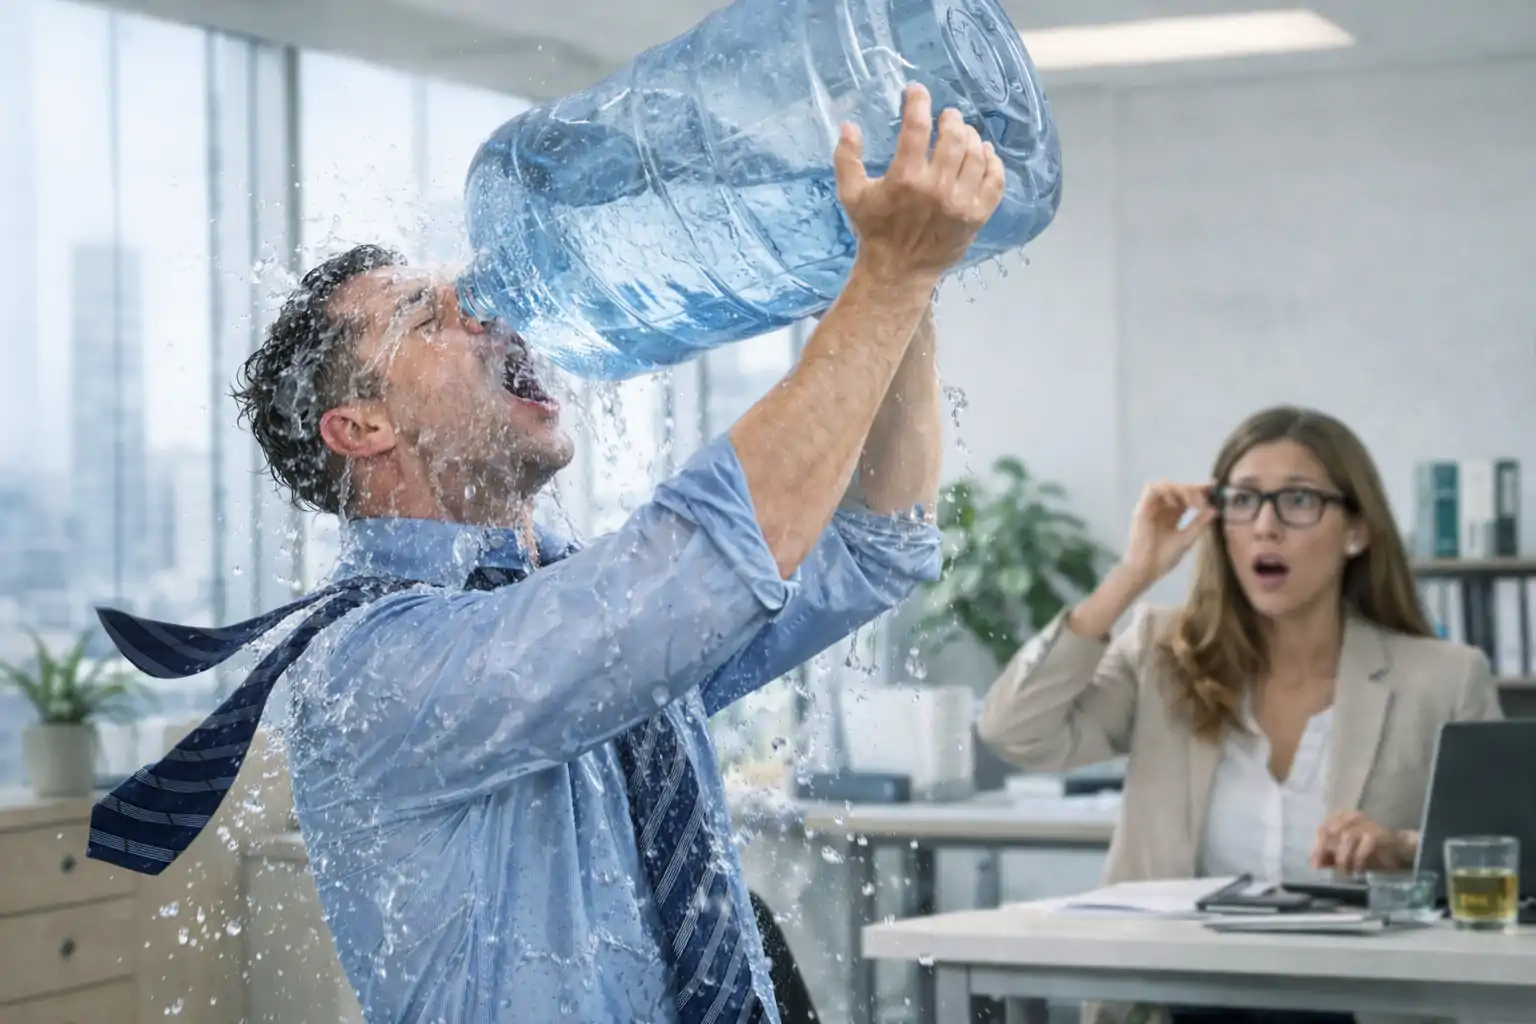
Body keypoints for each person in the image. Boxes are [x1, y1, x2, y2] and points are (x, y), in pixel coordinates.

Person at [84, 83, 1006, 1024]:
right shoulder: (371, 666)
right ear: (360, 427)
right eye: (428, 316)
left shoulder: (572, 602)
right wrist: (885, 279)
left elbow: (874, 544)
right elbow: (712, 558)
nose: (490, 314)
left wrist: (908, 289)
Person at [977, 405, 1502, 1024]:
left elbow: (1506, 860)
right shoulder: (1160, 652)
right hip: (1180, 1002)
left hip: (1361, 1004)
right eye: (1244, 501)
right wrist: (1133, 574)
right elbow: (1013, 729)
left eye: (1299, 501)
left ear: (1356, 530)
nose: (1266, 526)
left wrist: (1400, 847)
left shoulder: (1444, 677)